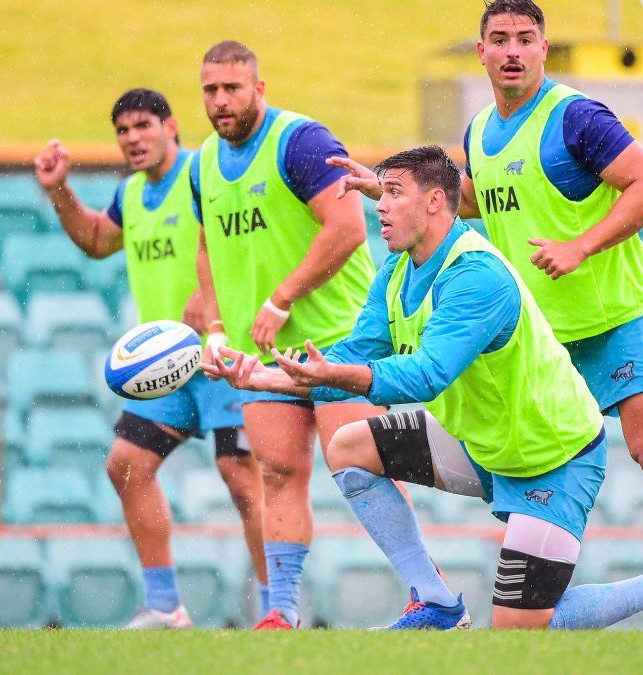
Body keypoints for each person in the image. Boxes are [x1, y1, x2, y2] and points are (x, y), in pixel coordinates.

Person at [203, 145, 643, 631]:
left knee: (523, 629)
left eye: (393, 192)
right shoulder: (396, 270)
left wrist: (328, 376)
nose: (378, 205)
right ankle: (434, 600)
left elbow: (427, 374)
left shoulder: (475, 275)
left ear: (435, 201)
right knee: (349, 448)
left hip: (552, 457)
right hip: (481, 443)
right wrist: (263, 376)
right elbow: (353, 353)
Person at [329, 0, 643, 581]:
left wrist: (580, 246)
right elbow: (471, 200)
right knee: (526, 460)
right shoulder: (480, 130)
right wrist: (386, 189)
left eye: (526, 39)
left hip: (621, 318)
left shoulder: (577, 117)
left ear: (543, 48)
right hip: (546, 337)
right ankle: (516, 600)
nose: (513, 51)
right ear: (481, 51)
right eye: (501, 39)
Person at [33, 89, 266, 629]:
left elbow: (247, 239)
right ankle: (164, 605)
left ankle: (277, 607)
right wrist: (59, 190)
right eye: (122, 130)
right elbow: (97, 240)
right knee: (127, 465)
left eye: (143, 125)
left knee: (241, 477)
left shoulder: (204, 174)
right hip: (168, 367)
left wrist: (208, 296)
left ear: (171, 126)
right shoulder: (132, 194)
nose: (132, 138)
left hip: (222, 352)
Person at [191, 41, 387, 629]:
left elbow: (348, 227)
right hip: (263, 352)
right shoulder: (202, 163)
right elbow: (207, 249)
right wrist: (216, 328)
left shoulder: (301, 141)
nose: (221, 100)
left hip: (340, 338)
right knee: (276, 474)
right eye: (210, 90)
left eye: (232, 88)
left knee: (363, 468)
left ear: (259, 88)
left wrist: (282, 298)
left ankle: (430, 598)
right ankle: (282, 613)